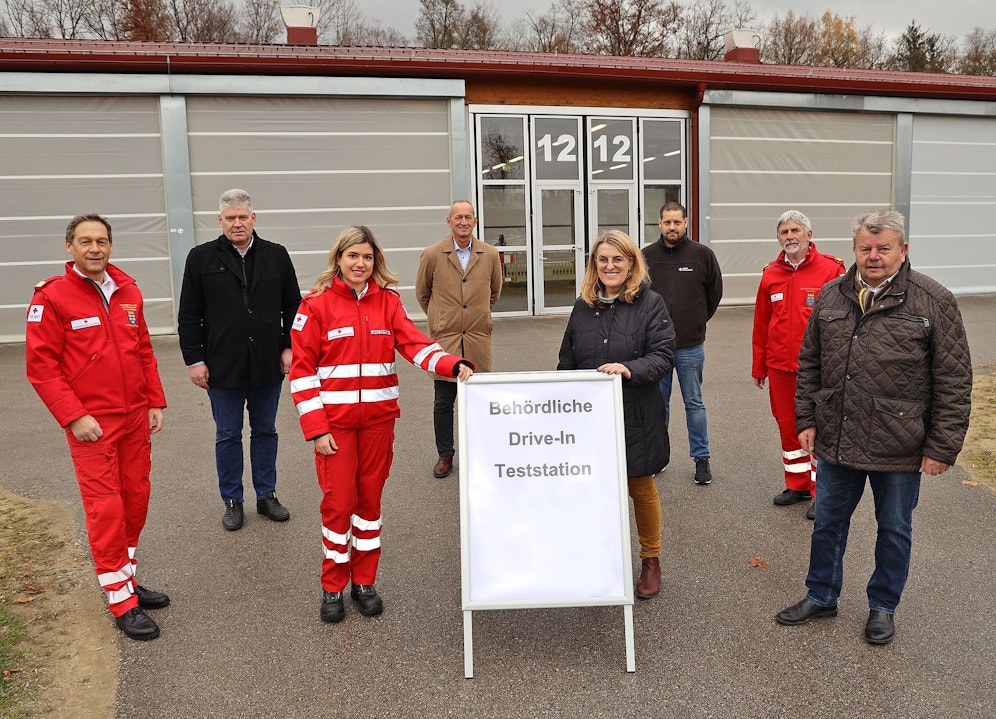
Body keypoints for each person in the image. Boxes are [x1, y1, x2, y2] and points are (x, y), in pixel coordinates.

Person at [776, 209, 972, 645]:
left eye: (884, 248)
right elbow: (810, 363)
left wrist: (941, 447)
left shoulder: (933, 300)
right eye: (865, 248)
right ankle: (821, 595)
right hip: (838, 437)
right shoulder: (832, 295)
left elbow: (954, 379)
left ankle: (883, 607)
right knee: (828, 522)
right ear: (854, 250)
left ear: (903, 250)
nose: (874, 256)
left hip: (899, 442)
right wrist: (806, 418)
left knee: (895, 528)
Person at [290, 226, 474, 623]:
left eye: (368, 257)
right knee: (339, 505)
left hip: (378, 424)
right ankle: (333, 585)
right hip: (334, 428)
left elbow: (415, 345)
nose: (361, 264)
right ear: (338, 258)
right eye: (353, 256)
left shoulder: (388, 303)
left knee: (369, 503)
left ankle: (364, 582)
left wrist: (451, 364)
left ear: (376, 262)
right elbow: (302, 373)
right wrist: (316, 428)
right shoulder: (315, 306)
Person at [25, 213, 169, 641]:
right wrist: (74, 416)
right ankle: (120, 600)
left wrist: (154, 400)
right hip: (92, 426)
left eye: (101, 241)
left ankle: (126, 577)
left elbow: (143, 349)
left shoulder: (128, 291)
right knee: (106, 510)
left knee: (135, 500)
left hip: (134, 419)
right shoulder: (51, 298)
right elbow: (42, 368)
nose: (94, 248)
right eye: (85, 241)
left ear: (111, 246)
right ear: (69, 247)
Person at [558, 230, 675, 599]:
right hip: (590, 419)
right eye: (603, 259)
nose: (610, 266)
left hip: (635, 413)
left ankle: (651, 560)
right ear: (594, 264)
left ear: (631, 264)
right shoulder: (582, 307)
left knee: (640, 487)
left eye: (618, 259)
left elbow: (662, 356)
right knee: (594, 490)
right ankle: (600, 558)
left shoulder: (651, 304)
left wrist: (628, 369)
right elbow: (566, 362)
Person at [177, 189, 302, 532]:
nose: (237, 223)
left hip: (267, 363)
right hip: (222, 366)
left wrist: (289, 347)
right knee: (228, 435)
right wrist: (195, 360)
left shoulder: (276, 255)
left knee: (265, 431)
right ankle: (232, 500)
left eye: (242, 217)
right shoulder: (201, 258)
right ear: (220, 220)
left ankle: (266, 495)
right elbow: (189, 315)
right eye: (230, 218)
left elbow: (294, 306)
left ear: (253, 218)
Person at [751, 211, 845, 519]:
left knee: (819, 428)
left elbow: (844, 323)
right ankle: (798, 484)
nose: (789, 236)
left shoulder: (831, 269)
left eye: (795, 230)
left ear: (808, 234)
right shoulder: (770, 273)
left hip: (818, 368)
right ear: (778, 237)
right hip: (779, 366)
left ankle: (822, 493)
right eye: (783, 231)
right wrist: (759, 366)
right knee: (788, 426)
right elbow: (762, 323)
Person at [415, 200, 502, 479]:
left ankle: (479, 452)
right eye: (458, 217)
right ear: (448, 221)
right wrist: (440, 319)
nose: (463, 221)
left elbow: (495, 293)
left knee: (478, 399)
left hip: (477, 337)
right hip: (446, 341)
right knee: (443, 401)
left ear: (474, 221)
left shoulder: (489, 254)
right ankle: (445, 454)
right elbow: (423, 294)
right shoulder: (431, 254)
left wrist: (477, 316)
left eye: (468, 217)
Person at [643, 202, 723, 485]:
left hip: (690, 345)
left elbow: (714, 293)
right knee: (657, 404)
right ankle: (658, 457)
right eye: (667, 222)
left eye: (677, 222)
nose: (672, 227)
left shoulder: (702, 255)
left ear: (686, 223)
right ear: (659, 223)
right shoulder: (646, 256)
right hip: (656, 348)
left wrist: (698, 321)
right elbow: (639, 297)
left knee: (694, 403)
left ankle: (701, 459)